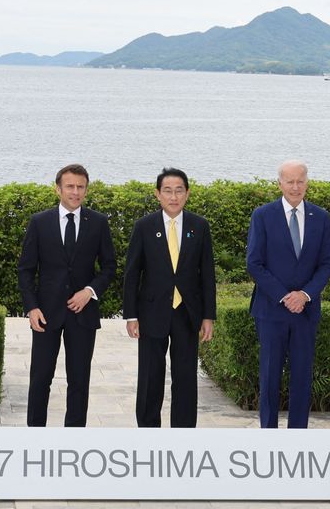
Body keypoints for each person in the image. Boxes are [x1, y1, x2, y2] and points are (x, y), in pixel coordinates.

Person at [17, 163, 118, 427]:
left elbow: (109, 267)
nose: (75, 192)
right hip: (45, 314)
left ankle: (74, 439)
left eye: (80, 187)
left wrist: (90, 291)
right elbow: (26, 269)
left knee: (79, 381)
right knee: (40, 379)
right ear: (58, 188)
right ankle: (35, 435)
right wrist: (32, 308)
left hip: (83, 315)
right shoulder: (39, 222)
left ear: (86, 189)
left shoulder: (98, 222)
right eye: (70, 186)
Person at [123, 167, 216, 428]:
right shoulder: (144, 226)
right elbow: (132, 274)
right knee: (151, 376)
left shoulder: (199, 226)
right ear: (157, 194)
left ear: (187, 193)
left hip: (187, 313)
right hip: (152, 312)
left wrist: (209, 315)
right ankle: (148, 432)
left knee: (185, 377)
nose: (173, 196)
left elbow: (207, 274)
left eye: (178, 191)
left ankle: (183, 434)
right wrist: (131, 315)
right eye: (167, 191)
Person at [245, 160, 330, 428]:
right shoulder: (262, 215)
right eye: (290, 181)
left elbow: (326, 263)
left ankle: (298, 436)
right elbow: (254, 263)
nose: (295, 187)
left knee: (302, 378)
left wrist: (305, 295)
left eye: (300, 181)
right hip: (271, 311)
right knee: (270, 377)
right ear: (280, 183)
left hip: (305, 312)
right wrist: (285, 296)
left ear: (307, 182)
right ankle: (269, 436)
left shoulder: (320, 217)